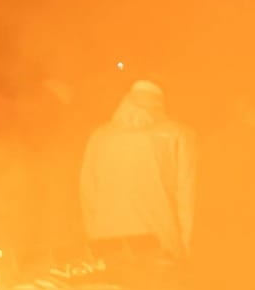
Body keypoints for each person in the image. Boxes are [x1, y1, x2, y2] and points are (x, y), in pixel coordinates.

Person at [79, 78, 197, 266]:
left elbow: (88, 194)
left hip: (106, 244)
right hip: (160, 246)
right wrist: (186, 247)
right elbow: (188, 196)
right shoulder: (179, 135)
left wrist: (93, 237)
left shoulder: (100, 136)